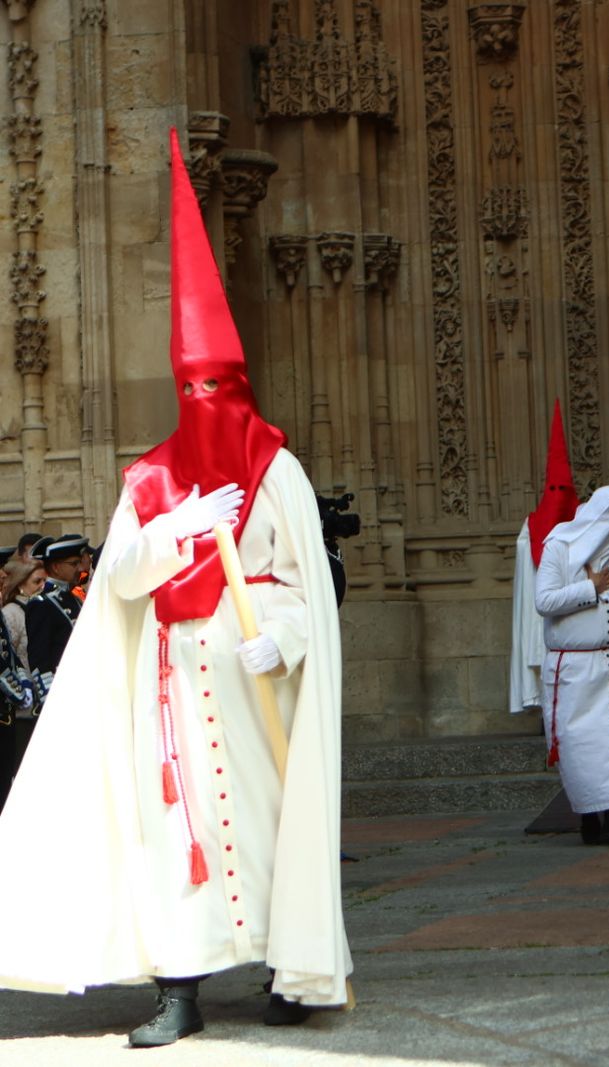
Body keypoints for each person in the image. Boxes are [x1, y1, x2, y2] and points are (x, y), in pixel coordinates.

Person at [0, 129, 349, 1044]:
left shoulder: (279, 472)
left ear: (240, 381)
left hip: (253, 678)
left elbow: (304, 581)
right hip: (172, 688)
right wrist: (173, 528)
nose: (203, 400)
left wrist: (285, 637)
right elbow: (119, 578)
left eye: (216, 383)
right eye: (190, 384)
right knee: (173, 831)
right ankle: (180, 988)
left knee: (270, 823)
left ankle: (290, 967)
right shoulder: (152, 479)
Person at [535, 486, 609, 847]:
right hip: (575, 668)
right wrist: (590, 588)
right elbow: (544, 601)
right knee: (583, 746)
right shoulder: (559, 546)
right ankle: (589, 817)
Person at [509, 401, 578, 719]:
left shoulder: (581, 520)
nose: (558, 494)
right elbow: (527, 565)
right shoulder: (531, 525)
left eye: (563, 489)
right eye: (553, 489)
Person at [0, 557, 47, 809]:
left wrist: (28, 683)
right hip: (14, 709)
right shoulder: (11, 613)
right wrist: (17, 688)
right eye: (36, 581)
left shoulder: (39, 608)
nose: (42, 586)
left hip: (27, 705)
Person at [23, 533, 90, 681]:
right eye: (73, 564)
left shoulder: (74, 598)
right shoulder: (41, 604)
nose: (80, 568)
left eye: (79, 563)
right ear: (56, 567)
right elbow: (40, 660)